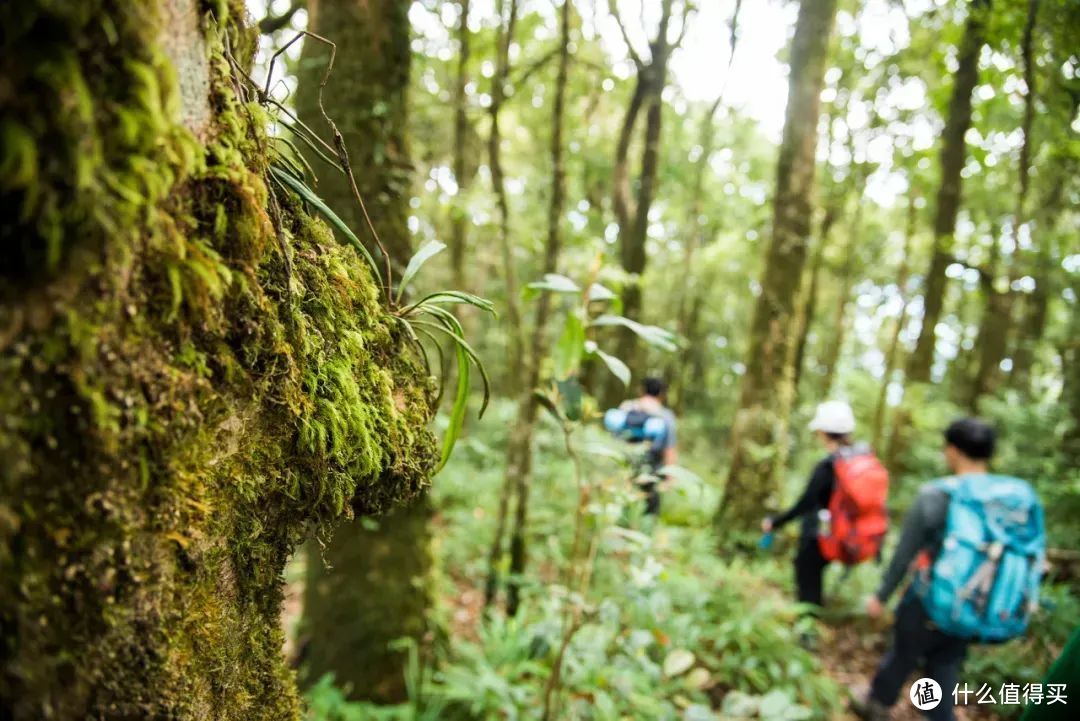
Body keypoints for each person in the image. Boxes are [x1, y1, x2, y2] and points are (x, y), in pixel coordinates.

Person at [853, 418, 1045, 721]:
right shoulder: (1008, 499)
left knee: (903, 654)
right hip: (973, 603)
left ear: (953, 451)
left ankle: (877, 706)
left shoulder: (937, 495)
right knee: (944, 666)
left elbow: (904, 555)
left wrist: (881, 596)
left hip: (928, 600)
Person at [761, 400, 859, 608]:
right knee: (815, 578)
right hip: (846, 535)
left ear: (823, 431)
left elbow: (805, 503)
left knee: (807, 581)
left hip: (819, 536)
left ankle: (807, 631)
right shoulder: (859, 461)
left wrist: (775, 522)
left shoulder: (828, 466)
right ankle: (812, 619)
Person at [617, 376, 677, 515]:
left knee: (622, 504)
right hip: (652, 471)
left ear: (642, 390)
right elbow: (669, 449)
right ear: (661, 394)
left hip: (625, 466)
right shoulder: (665, 415)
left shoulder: (627, 406)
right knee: (649, 512)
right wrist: (670, 478)